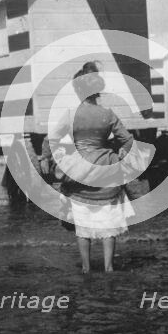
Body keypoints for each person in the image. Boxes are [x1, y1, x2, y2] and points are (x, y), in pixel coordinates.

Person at [48, 61, 135, 273]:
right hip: (106, 168)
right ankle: (109, 267)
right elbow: (128, 140)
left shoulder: (70, 114)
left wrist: (58, 158)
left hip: (78, 173)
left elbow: (52, 140)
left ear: (78, 90)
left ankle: (86, 269)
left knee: (83, 226)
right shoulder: (108, 114)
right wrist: (119, 156)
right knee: (108, 226)